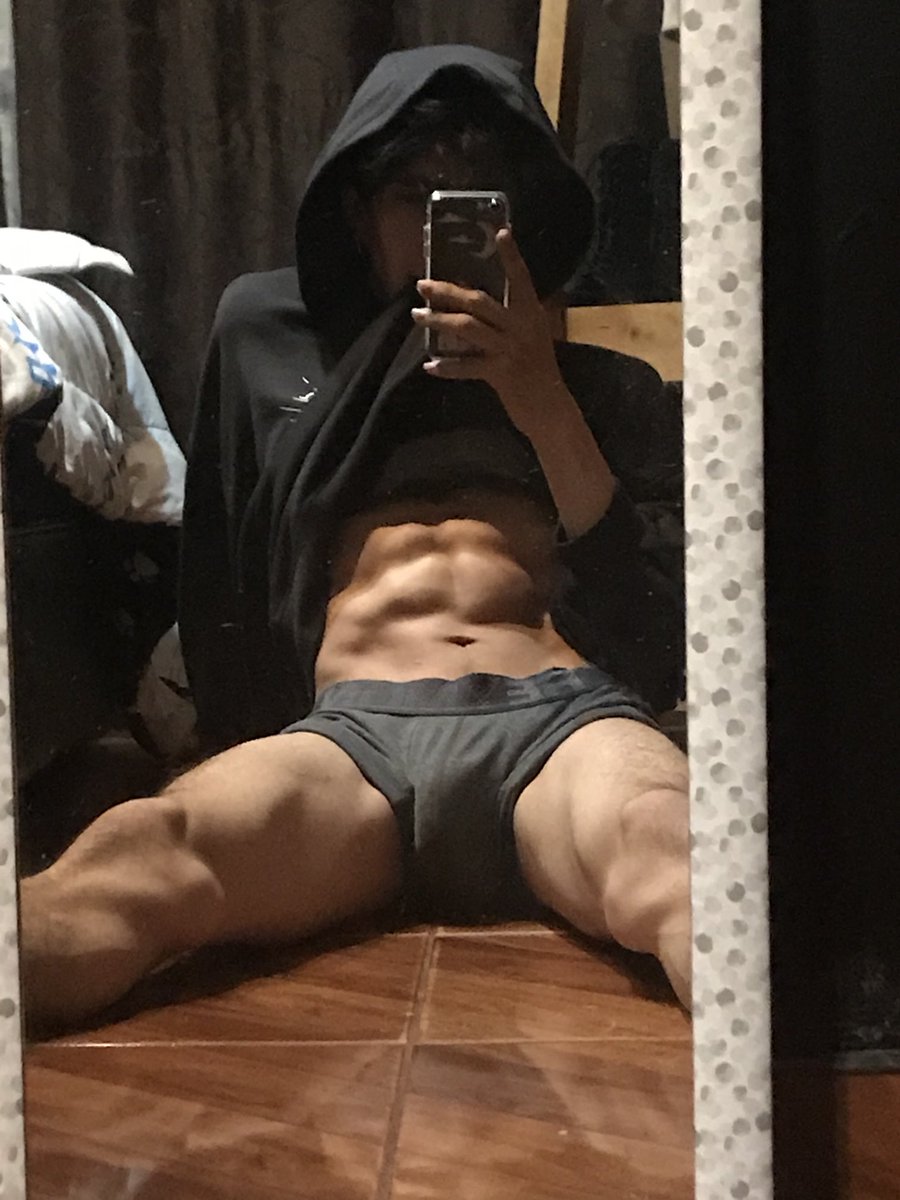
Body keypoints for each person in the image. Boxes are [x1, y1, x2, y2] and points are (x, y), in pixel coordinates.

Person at [20, 46, 690, 1027]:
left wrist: (537, 391)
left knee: (677, 853)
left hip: (562, 729)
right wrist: (253, 761)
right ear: (356, 212)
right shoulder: (270, 343)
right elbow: (226, 578)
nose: (442, 224)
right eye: (414, 195)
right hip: (354, 743)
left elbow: (657, 633)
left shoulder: (599, 388)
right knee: (140, 854)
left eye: (476, 197)